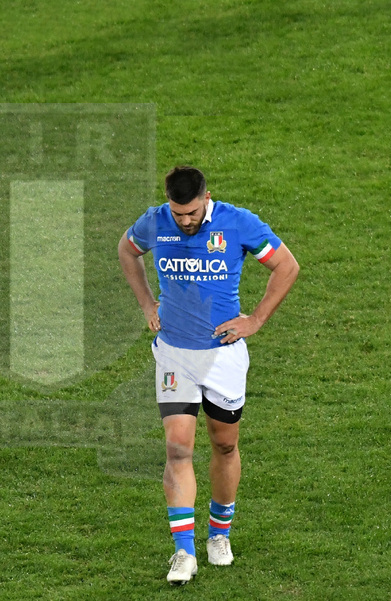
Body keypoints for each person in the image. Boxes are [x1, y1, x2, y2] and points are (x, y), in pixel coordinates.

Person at [118, 166, 299, 585]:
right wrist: (147, 305)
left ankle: (220, 535)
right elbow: (127, 251)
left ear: (207, 198)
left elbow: (286, 266)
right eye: (178, 214)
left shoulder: (239, 223)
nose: (185, 221)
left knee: (224, 444)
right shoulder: (154, 222)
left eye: (193, 212)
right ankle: (184, 552)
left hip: (223, 358)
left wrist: (255, 319)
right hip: (174, 356)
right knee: (178, 447)